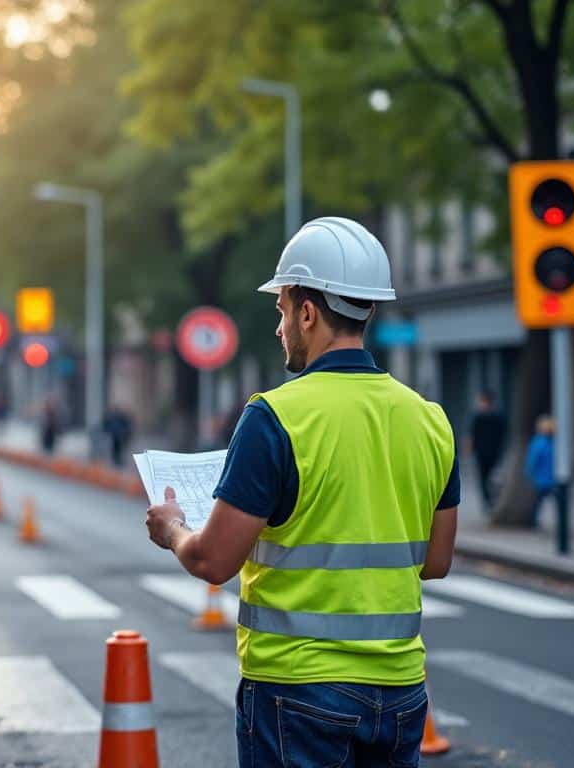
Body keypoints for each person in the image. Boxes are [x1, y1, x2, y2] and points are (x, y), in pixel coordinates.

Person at [143, 217, 459, 768]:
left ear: (307, 313)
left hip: (298, 690)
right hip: (402, 692)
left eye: (281, 310)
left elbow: (215, 560)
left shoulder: (275, 418)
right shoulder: (430, 420)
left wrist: (172, 528)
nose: (279, 327)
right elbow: (436, 562)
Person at [467, 391, 506, 510]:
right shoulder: (477, 417)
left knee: (492, 478)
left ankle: (492, 498)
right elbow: (472, 435)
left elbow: (502, 436)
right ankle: (488, 501)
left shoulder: (497, 418)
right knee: (483, 478)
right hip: (481, 453)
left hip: (493, 453)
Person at [523, 415, 557, 527]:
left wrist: (529, 472)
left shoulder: (542, 442)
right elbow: (533, 460)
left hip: (547, 478)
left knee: (539, 502)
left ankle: (535, 521)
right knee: (539, 502)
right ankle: (534, 521)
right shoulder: (543, 443)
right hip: (545, 478)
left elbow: (532, 461)